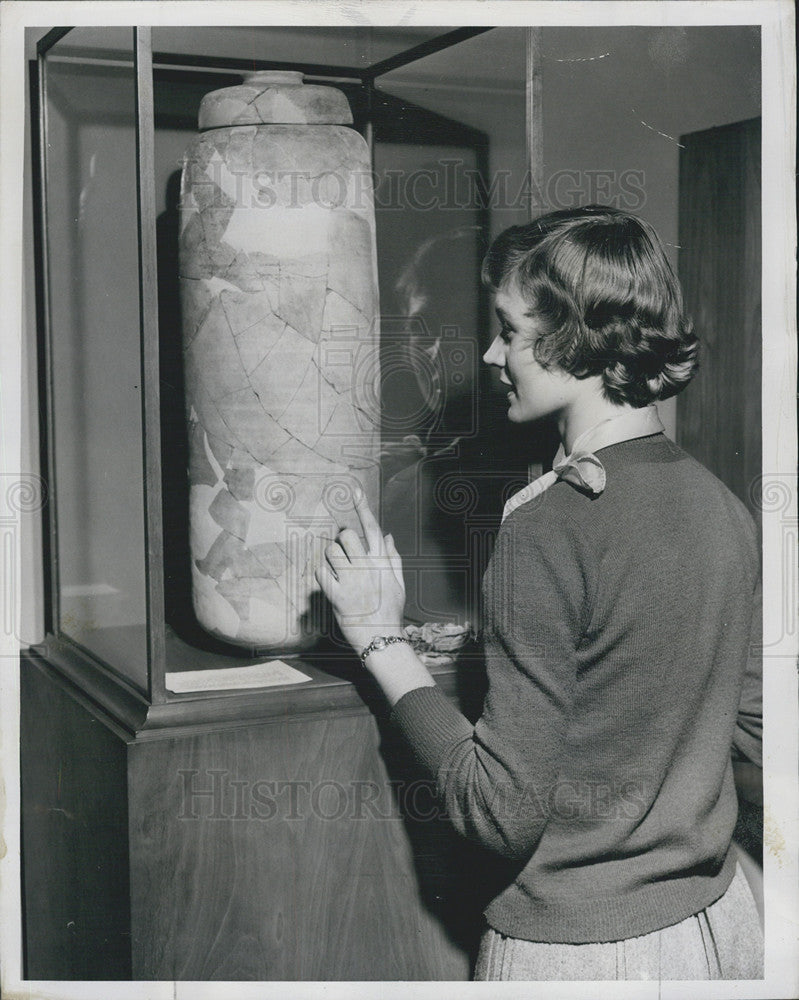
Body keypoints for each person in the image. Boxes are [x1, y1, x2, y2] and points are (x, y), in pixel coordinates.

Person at [315, 205, 763, 981]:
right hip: (720, 930)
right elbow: (755, 736)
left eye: (509, 330)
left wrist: (378, 639)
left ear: (577, 340)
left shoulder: (547, 528)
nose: (491, 354)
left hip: (581, 954)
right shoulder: (720, 506)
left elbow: (499, 811)